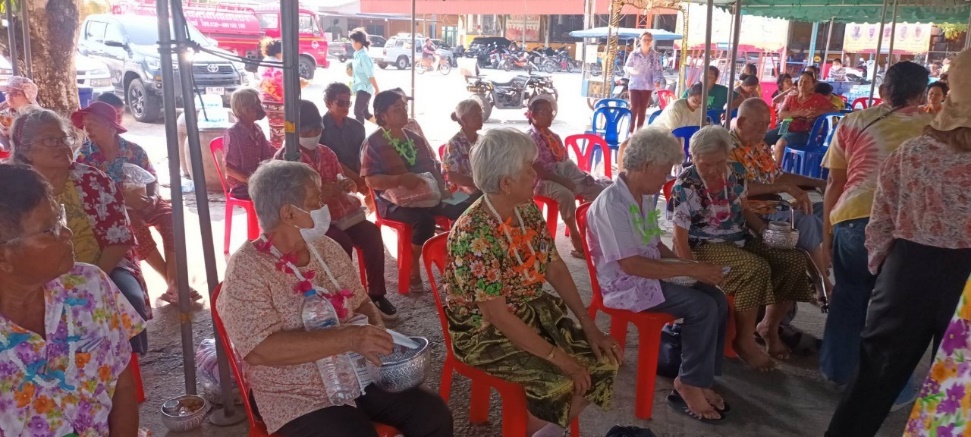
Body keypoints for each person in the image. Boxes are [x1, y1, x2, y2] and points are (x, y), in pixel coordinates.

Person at [217, 160, 453, 437]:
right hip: (295, 393)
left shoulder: (325, 248)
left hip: (357, 374)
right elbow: (259, 350)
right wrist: (350, 338)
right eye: (316, 200)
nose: (324, 206)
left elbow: (361, 301)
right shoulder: (248, 268)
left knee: (432, 414)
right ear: (289, 214)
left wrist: (376, 336)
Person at [825, 52, 971, 436]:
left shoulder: (914, 151)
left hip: (906, 269)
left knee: (873, 377)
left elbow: (881, 219)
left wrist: (885, 268)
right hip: (964, 279)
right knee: (957, 393)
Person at [443, 128, 620, 437]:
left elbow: (556, 268)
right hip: (484, 332)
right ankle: (537, 430)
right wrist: (561, 360)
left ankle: (544, 430)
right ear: (506, 183)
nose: (535, 173)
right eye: (528, 167)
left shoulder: (526, 209)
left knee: (604, 359)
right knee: (559, 380)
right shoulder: (474, 233)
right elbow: (497, 316)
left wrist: (589, 324)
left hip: (532, 312)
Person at [586, 127, 729, 423]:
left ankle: (700, 379)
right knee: (700, 307)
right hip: (625, 285)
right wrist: (687, 269)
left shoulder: (645, 196)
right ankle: (688, 382)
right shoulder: (612, 204)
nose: (666, 178)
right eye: (664, 171)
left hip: (648, 274)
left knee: (715, 297)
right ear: (647, 165)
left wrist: (687, 268)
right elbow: (631, 266)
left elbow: (653, 245)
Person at [0, 164, 145, 436]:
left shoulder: (89, 286)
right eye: (49, 230)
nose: (67, 234)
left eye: (60, 218)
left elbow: (123, 384)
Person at [820, 61, 932, 400]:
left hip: (851, 220)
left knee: (848, 296)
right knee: (893, 311)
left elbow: (834, 182)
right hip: (903, 227)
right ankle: (890, 392)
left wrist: (827, 232)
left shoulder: (854, 121)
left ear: (884, 91)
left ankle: (838, 372)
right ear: (922, 93)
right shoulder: (933, 128)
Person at [10, 107, 151, 354]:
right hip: (30, 276)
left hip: (102, 267)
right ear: (25, 149)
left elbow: (118, 240)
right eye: (50, 140)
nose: (61, 146)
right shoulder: (13, 191)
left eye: (64, 138)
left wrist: (89, 278)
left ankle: (121, 367)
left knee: (129, 298)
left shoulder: (93, 181)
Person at [670, 126, 813, 370]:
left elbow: (745, 210)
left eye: (719, 162)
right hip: (704, 246)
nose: (714, 170)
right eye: (706, 164)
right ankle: (744, 341)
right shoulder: (685, 185)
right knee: (754, 268)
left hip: (739, 237)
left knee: (793, 260)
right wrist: (692, 271)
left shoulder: (734, 172)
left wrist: (766, 234)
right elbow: (679, 239)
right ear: (693, 158)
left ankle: (769, 326)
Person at [72, 102, 203, 304]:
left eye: (93, 123)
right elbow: (86, 196)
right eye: (85, 124)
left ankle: (174, 285)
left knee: (170, 217)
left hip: (143, 200)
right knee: (133, 226)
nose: (87, 128)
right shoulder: (83, 157)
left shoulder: (133, 150)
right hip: (112, 212)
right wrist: (120, 202)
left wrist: (151, 198)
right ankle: (175, 284)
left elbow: (152, 178)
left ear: (110, 125)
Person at [276, 100, 396, 319]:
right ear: (294, 132)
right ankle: (343, 297)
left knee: (371, 233)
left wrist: (346, 185)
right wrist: (318, 195)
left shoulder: (326, 153)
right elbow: (284, 204)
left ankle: (376, 294)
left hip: (341, 214)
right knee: (340, 242)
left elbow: (340, 176)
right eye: (307, 130)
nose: (313, 135)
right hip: (308, 223)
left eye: (317, 130)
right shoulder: (285, 160)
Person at [361, 91, 472, 291]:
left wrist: (443, 189)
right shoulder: (374, 142)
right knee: (424, 221)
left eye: (404, 107)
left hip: (427, 195)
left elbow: (433, 167)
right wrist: (400, 179)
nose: (404, 112)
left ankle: (456, 259)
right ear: (382, 115)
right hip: (393, 203)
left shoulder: (413, 137)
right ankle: (413, 266)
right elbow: (371, 180)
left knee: (465, 207)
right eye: (397, 109)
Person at [730, 98, 831, 300]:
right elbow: (737, 190)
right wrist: (784, 188)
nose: (764, 130)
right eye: (759, 125)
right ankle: (824, 285)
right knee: (806, 220)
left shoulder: (760, 145)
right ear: (741, 123)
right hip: (749, 212)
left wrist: (817, 182)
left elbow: (777, 175)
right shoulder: (727, 148)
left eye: (767, 124)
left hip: (775, 205)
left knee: (825, 209)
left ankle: (823, 270)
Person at [527, 96, 609, 258]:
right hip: (542, 181)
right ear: (532, 115)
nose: (549, 115)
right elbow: (539, 171)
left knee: (597, 190)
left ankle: (591, 233)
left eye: (551, 112)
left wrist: (581, 176)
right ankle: (575, 234)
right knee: (566, 195)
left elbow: (565, 161)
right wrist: (564, 181)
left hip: (562, 174)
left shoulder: (554, 136)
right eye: (544, 112)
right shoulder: (530, 138)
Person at [320, 82, 371, 211]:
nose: (345, 106)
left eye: (348, 103)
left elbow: (362, 157)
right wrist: (356, 179)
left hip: (358, 174)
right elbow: (333, 162)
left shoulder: (358, 127)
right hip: (335, 178)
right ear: (328, 103)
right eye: (340, 103)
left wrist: (363, 178)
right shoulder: (320, 129)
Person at [768, 71, 835, 162]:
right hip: (786, 124)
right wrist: (798, 113)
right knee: (764, 139)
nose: (803, 83)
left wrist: (818, 112)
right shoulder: (791, 97)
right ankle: (764, 168)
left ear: (813, 85)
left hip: (804, 130)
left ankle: (777, 172)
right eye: (801, 80)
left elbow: (835, 110)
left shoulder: (817, 98)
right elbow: (781, 114)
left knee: (781, 143)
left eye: (807, 81)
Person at [223, 88, 276, 200]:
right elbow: (229, 169)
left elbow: (268, 154)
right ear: (245, 109)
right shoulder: (233, 133)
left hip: (258, 180)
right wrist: (253, 180)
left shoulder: (257, 130)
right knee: (278, 195)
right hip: (242, 186)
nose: (260, 108)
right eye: (256, 105)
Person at [623, 31, 665, 133]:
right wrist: (631, 70)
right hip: (634, 85)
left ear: (652, 42)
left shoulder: (655, 55)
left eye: (649, 40)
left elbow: (658, 69)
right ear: (640, 41)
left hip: (647, 85)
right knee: (634, 107)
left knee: (642, 110)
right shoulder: (634, 54)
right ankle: (630, 130)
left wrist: (657, 81)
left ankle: (639, 132)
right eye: (645, 39)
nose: (647, 42)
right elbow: (627, 66)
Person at [442, 99, 483, 195]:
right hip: (460, 191)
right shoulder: (454, 144)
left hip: (480, 186)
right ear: (464, 119)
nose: (480, 118)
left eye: (480, 114)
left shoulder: (482, 140)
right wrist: (480, 184)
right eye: (476, 115)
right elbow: (453, 177)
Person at [0, 76, 38, 150]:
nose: (10, 96)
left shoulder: (37, 115)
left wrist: (13, 132)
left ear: (29, 96)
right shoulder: (5, 114)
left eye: (16, 93)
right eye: (8, 92)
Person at [350, 28, 379, 123]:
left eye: (353, 41)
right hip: (360, 87)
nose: (352, 43)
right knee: (365, 113)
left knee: (358, 112)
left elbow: (370, 75)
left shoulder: (364, 57)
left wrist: (377, 89)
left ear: (359, 42)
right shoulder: (357, 54)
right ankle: (385, 129)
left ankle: (359, 136)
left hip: (365, 88)